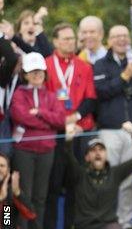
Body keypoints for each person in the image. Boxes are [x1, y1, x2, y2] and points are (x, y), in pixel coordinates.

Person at [93, 12, 132, 229]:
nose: (121, 39)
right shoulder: (100, 64)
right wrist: (124, 77)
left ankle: (125, 222)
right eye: (116, 36)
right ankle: (107, 221)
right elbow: (101, 92)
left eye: (125, 36)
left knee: (128, 180)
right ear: (108, 41)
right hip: (110, 130)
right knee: (108, 179)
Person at [44, 22, 97, 229]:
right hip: (53, 135)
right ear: (55, 41)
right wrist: (60, 121)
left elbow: (91, 98)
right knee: (53, 186)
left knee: (76, 185)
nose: (70, 42)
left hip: (79, 130)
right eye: (65, 38)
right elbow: (44, 97)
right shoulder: (46, 65)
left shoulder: (84, 66)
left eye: (72, 38)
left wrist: (74, 117)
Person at [10, 52, 69, 229]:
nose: (37, 75)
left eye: (40, 71)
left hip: (46, 150)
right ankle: (16, 226)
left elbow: (60, 120)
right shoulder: (19, 93)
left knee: (40, 196)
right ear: (25, 74)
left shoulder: (51, 96)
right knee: (22, 193)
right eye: (33, 71)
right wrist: (47, 123)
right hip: (24, 150)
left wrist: (40, 113)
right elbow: (20, 116)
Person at [64, 124, 132, 229]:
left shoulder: (115, 173)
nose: (97, 153)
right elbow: (68, 158)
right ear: (87, 157)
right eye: (93, 150)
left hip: (108, 225)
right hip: (84, 226)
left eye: (101, 149)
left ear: (106, 154)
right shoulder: (80, 174)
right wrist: (68, 141)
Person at [0, 153, 36, 227]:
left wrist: (17, 193)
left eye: (2, 166)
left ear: (8, 170)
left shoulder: (11, 192)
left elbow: (31, 215)